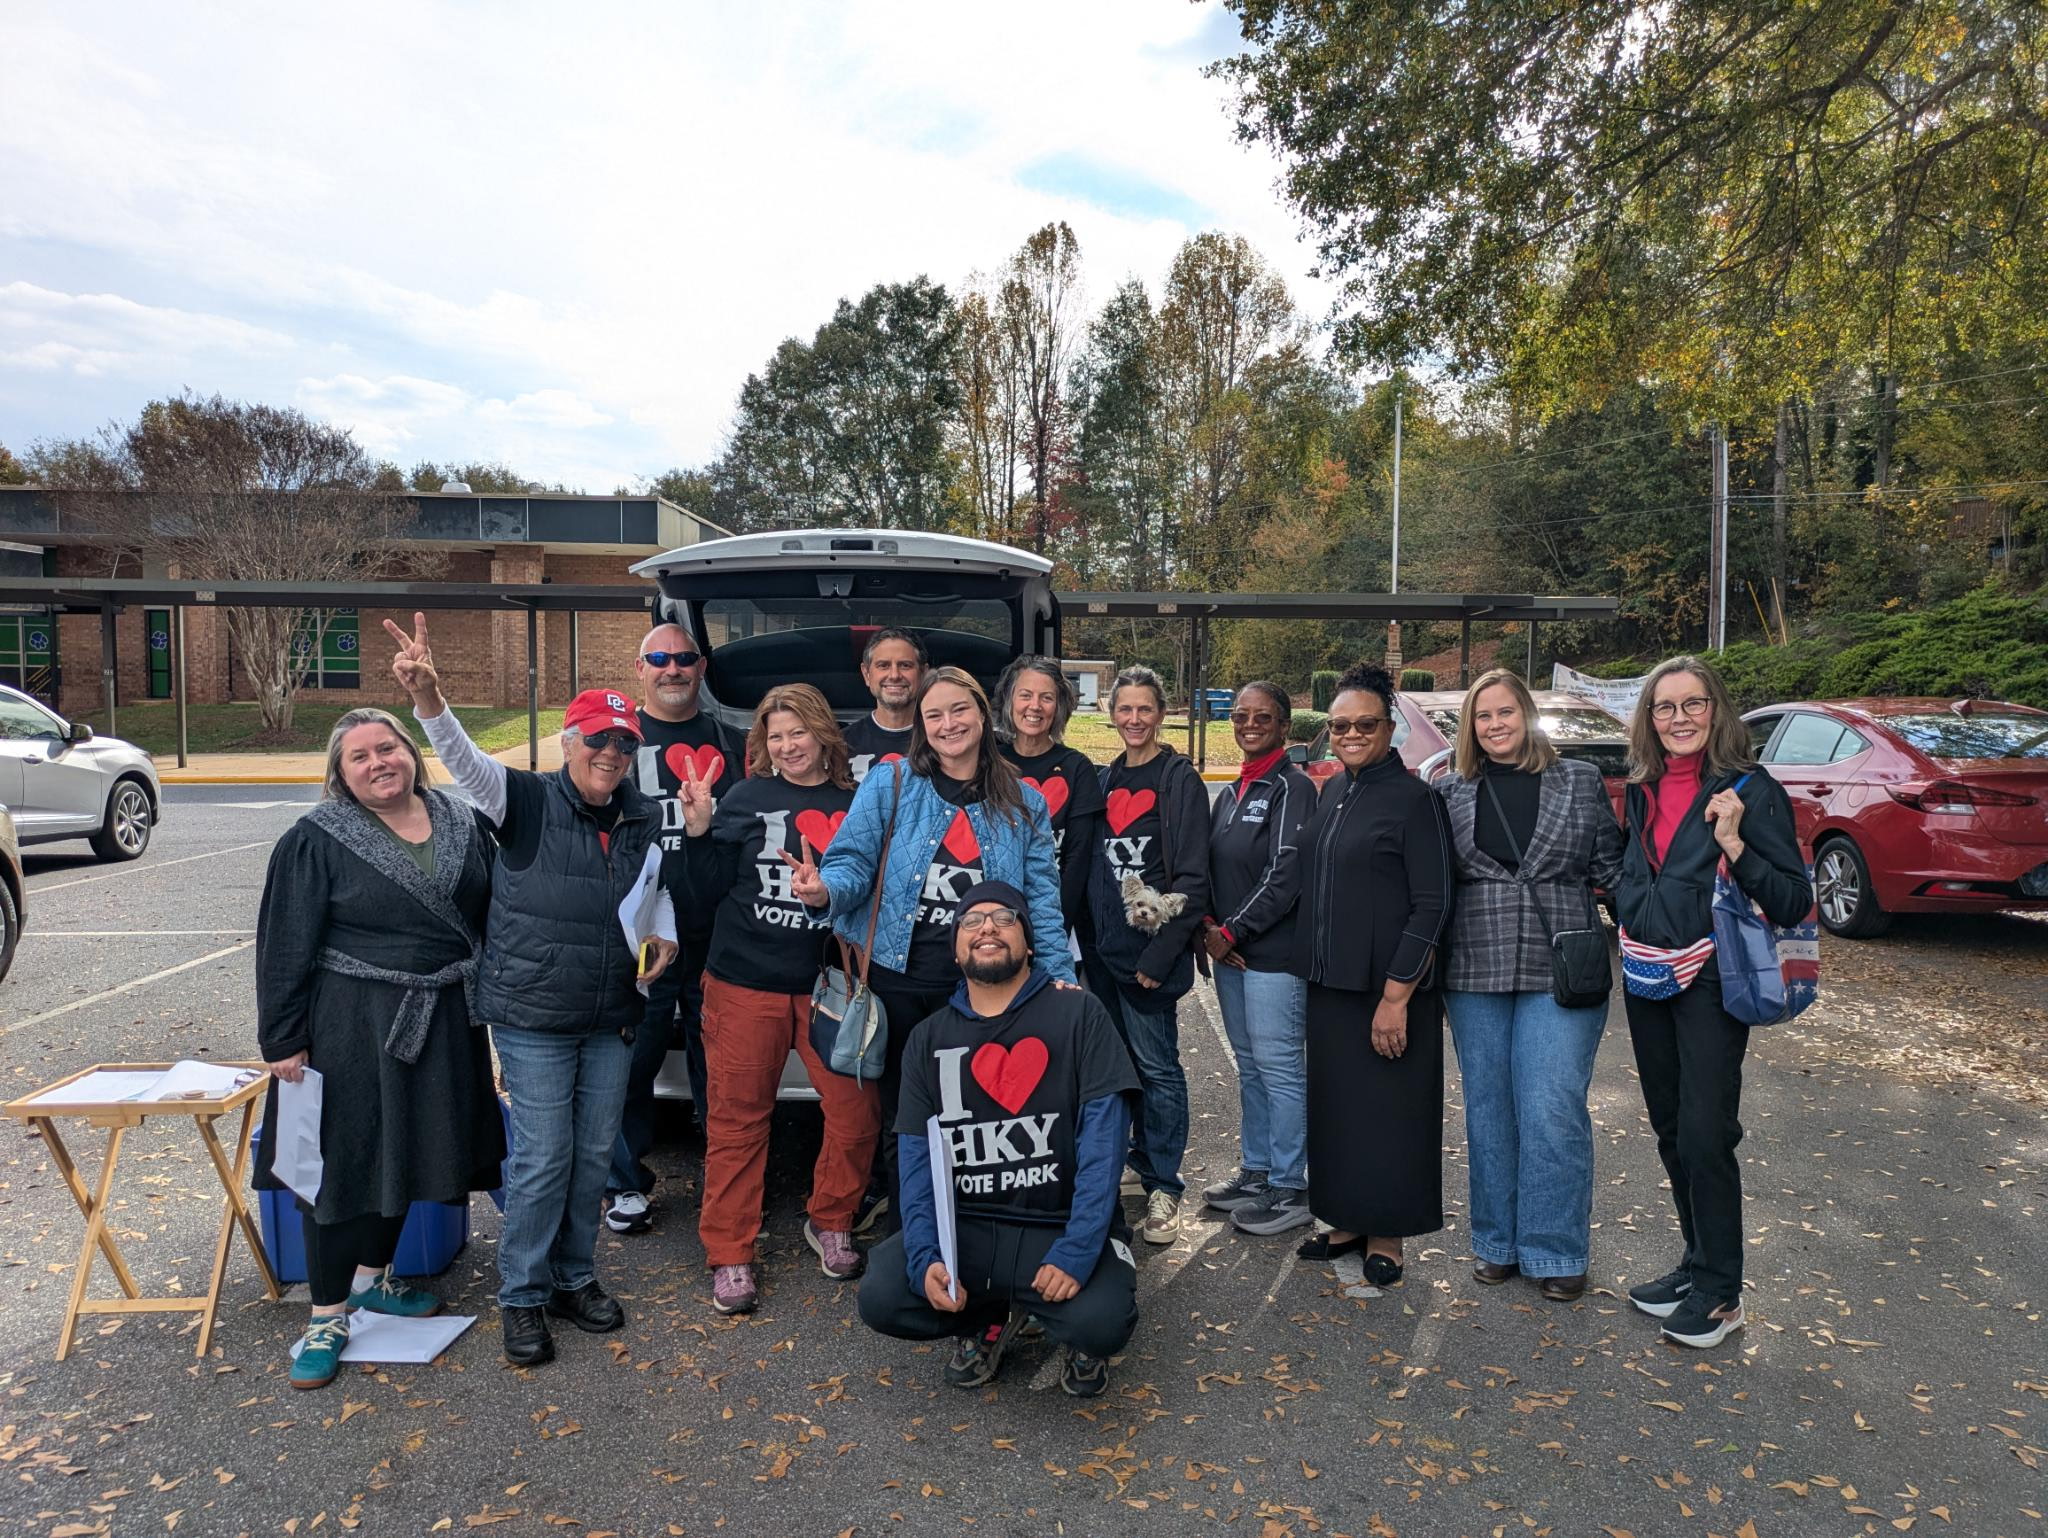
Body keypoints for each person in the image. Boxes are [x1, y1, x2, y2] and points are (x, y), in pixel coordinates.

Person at [386, 614, 677, 1369]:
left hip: (612, 1010)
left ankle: (575, 1277)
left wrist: (666, 934)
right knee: (544, 1156)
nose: (611, 754)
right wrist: (430, 697)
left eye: (623, 743)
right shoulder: (524, 801)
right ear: (568, 744)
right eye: (597, 740)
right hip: (534, 1012)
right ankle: (522, 1294)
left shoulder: (641, 816)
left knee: (588, 1158)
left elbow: (652, 892)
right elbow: (462, 756)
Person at [255, 708, 505, 1389]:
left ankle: (373, 1281)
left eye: (387, 747)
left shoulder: (460, 821)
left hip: (445, 1017)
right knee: (345, 1166)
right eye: (359, 756)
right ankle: (326, 1316)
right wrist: (282, 1037)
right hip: (351, 1025)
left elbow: (493, 914)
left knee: (414, 1154)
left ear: (411, 753)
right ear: (340, 774)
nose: (377, 763)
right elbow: (284, 944)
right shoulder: (315, 840)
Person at [786, 666, 1073, 1234]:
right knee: (908, 1119)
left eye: (958, 710)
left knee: (982, 1117)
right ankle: (913, 1235)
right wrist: (824, 890)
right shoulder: (891, 783)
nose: (949, 724)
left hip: (985, 989)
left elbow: (1041, 898)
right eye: (934, 714)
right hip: (899, 982)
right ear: (920, 725)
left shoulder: (1025, 800)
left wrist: (1060, 974)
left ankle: (976, 1231)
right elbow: (851, 862)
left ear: (982, 714)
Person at [857, 881, 1140, 1398]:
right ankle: (985, 1320)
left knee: (1100, 1322)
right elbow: (916, 1163)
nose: (987, 926)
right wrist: (926, 1259)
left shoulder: (1079, 1014)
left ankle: (1071, 1333)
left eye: (1004, 918)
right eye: (971, 921)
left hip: (1054, 1225)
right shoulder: (928, 1038)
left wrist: (1077, 1252)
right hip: (973, 1230)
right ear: (956, 950)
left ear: (1029, 942)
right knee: (882, 1294)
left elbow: (1105, 1147)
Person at [1616, 656, 1809, 1348]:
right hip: (1646, 971)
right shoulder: (1640, 788)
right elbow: (1633, 863)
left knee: (1705, 1133)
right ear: (1649, 720)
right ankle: (1696, 1267)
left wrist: (1735, 842)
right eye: (1664, 708)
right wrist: (1628, 899)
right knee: (1670, 1128)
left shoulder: (1752, 790)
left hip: (1713, 979)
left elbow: (1792, 899)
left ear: (1716, 709)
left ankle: (1723, 1294)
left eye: (1692, 704)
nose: (1679, 719)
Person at [676, 683, 877, 1316]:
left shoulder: (857, 802)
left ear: (824, 734)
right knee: (737, 1121)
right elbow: (700, 894)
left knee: (855, 1110)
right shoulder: (745, 797)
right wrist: (700, 831)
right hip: (742, 983)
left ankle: (832, 1219)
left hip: (829, 988)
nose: (788, 746)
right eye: (776, 736)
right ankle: (730, 1254)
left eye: (799, 732)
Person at [1438, 668, 1624, 1301]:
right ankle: (1497, 1242)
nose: (1494, 725)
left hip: (1561, 963)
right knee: (1489, 1109)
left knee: (1551, 1107)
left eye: (1505, 712)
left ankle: (1556, 1248)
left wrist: (1666, 935)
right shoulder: (1450, 791)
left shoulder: (1579, 781)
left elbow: (1612, 870)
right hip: (1473, 966)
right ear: (1470, 725)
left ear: (1527, 714)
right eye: (1482, 716)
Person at [1290, 661, 1453, 1288]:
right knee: (1339, 1110)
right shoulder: (1334, 790)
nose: (1351, 734)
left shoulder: (1416, 800)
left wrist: (1396, 995)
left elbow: (1433, 902)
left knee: (1391, 1112)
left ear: (1390, 728)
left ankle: (1387, 1232)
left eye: (1365, 724)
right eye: (1340, 725)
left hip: (1391, 988)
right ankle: (1347, 1219)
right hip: (1332, 982)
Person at [606, 622, 743, 1236]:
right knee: (631, 1064)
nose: (672, 668)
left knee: (719, 1065)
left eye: (684, 658)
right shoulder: (615, 742)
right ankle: (625, 1184)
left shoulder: (732, 743)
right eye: (658, 658)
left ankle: (727, 1182)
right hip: (643, 942)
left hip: (717, 933)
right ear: (639, 669)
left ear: (702, 668)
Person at [1086, 665, 1210, 1246]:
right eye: (1124, 709)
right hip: (1102, 957)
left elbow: (1193, 879)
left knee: (1159, 1070)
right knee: (1114, 1073)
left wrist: (1160, 957)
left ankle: (1165, 1185)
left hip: (1146, 959)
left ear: (1162, 713)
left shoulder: (1176, 778)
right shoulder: (1105, 777)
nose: (1134, 719)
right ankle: (1129, 1168)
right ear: (1112, 713)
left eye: (1145, 709)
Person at [1198, 682, 1315, 1237]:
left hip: (1270, 957)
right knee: (1250, 1066)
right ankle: (1259, 1169)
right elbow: (1209, 869)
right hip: (1230, 954)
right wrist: (1209, 929)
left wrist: (1233, 931)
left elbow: (1286, 872)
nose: (1248, 723)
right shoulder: (1233, 792)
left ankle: (1291, 1186)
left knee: (1281, 1069)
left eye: (1261, 716)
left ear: (1284, 726)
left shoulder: (1292, 787)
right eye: (1240, 715)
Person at [994, 655, 1105, 948]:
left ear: (1059, 707)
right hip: (994, 914)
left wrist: (1052, 929)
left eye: (1046, 698)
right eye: (1025, 695)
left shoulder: (1077, 767)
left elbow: (1077, 860)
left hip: (1055, 915)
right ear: (1009, 700)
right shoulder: (990, 762)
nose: (1035, 706)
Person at [844, 627, 926, 783]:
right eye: (883, 665)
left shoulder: (944, 740)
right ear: (866, 674)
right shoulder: (840, 746)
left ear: (923, 674)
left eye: (905, 665)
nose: (894, 675)